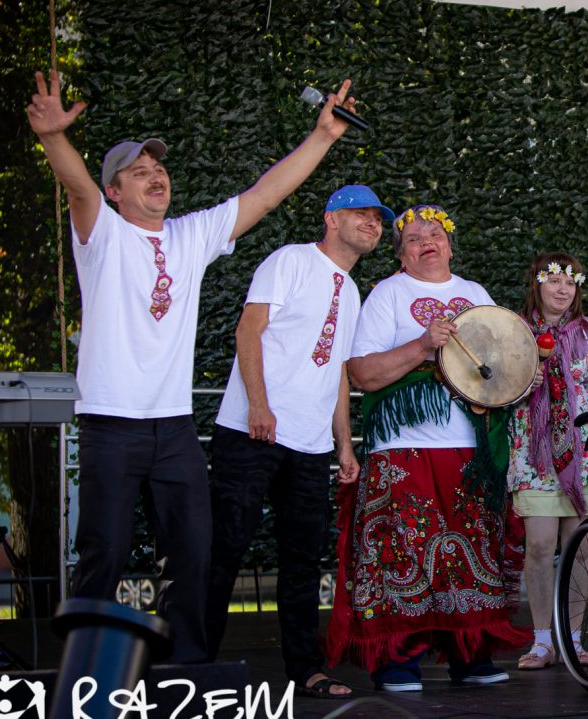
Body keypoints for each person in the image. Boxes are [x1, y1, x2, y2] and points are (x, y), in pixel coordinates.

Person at [25, 70, 361, 663]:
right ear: (115, 193)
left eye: (158, 168)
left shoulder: (190, 235)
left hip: (174, 426)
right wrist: (54, 137)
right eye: (138, 172)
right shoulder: (101, 233)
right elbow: (77, 187)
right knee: (105, 549)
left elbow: (265, 194)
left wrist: (324, 137)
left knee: (195, 548)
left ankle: (191, 667)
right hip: (111, 421)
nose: (155, 176)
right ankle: (83, 673)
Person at [325, 205, 530, 692]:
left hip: (468, 449)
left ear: (450, 245)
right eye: (413, 239)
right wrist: (420, 348)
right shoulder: (387, 295)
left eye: (434, 234)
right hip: (403, 448)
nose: (426, 242)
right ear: (402, 255)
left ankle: (470, 654)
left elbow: (502, 367)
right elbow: (361, 373)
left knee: (470, 551)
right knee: (401, 551)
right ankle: (397, 661)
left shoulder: (476, 295)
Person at [204, 185, 391, 699]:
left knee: (303, 561)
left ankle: (305, 671)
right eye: (361, 214)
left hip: (311, 447)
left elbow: (337, 374)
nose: (373, 224)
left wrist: (344, 445)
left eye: (378, 219)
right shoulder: (290, 260)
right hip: (250, 431)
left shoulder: (352, 291)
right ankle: (193, 667)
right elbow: (249, 329)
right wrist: (259, 405)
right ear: (331, 219)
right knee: (225, 549)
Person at [509, 253, 588, 670]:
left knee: (582, 547)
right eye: (553, 280)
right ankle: (541, 640)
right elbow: (496, 388)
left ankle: (573, 636)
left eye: (569, 282)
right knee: (538, 545)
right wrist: (524, 380)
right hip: (533, 449)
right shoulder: (515, 329)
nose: (562, 289)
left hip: (581, 446)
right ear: (537, 285)